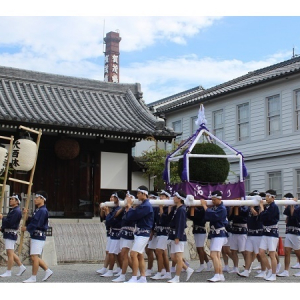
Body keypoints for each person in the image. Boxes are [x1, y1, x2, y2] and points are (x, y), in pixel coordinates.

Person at [123, 185, 154, 283]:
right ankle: (143, 277)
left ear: (144, 194)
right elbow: (133, 214)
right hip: (140, 232)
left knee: (133, 254)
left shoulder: (146, 206)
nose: (137, 195)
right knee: (140, 255)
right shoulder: (143, 205)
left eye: (138, 193)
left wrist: (129, 205)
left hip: (143, 233)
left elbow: (133, 216)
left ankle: (134, 277)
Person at [21, 191, 53, 283]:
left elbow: (36, 223)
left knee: (34, 256)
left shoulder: (43, 211)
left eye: (37, 198)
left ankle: (33, 277)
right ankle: (47, 270)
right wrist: (26, 216)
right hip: (35, 235)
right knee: (34, 257)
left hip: (39, 235)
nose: (35, 199)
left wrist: (27, 228)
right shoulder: (38, 210)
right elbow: (33, 220)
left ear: (42, 199)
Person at [201, 190, 228, 282]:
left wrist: (204, 206)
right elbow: (208, 216)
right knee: (216, 255)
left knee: (213, 255)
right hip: (216, 234)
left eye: (214, 199)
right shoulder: (216, 207)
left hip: (219, 234)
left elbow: (213, 216)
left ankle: (217, 274)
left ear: (219, 198)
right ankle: (220, 275)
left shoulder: (222, 208)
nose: (212, 201)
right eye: (212, 199)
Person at [167, 190, 194, 283]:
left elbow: (181, 224)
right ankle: (187, 269)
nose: (173, 198)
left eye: (175, 196)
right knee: (173, 257)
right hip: (173, 234)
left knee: (178, 257)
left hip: (179, 236)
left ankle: (177, 277)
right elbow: (169, 218)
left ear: (179, 199)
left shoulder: (182, 209)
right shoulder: (176, 208)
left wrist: (178, 236)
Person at [112, 191, 137, 282]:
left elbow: (132, 218)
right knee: (123, 255)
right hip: (123, 232)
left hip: (129, 233)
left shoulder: (133, 209)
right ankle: (133, 271)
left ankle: (123, 275)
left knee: (124, 254)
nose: (126, 199)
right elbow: (115, 216)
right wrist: (123, 207)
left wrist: (129, 206)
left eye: (128, 197)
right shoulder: (124, 209)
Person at [256, 189, 280, 281]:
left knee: (272, 254)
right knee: (261, 252)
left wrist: (261, 207)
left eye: (267, 196)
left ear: (272, 197)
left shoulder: (274, 207)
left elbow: (263, 217)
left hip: (272, 233)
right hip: (265, 232)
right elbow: (261, 217)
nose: (266, 198)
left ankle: (273, 275)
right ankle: (270, 270)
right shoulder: (269, 207)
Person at [238, 191, 263, 277]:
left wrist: (251, 207)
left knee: (260, 253)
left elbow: (256, 214)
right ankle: (246, 270)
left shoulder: (259, 207)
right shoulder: (248, 208)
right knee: (248, 252)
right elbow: (241, 212)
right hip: (250, 233)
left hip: (258, 234)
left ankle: (264, 270)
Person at [0, 194, 26, 277]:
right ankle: (21, 266)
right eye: (10, 199)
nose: (10, 200)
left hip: (11, 233)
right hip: (9, 233)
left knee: (10, 253)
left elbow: (10, 223)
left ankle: (8, 271)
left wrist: (2, 218)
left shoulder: (16, 211)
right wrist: (2, 228)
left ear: (17, 201)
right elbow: (8, 222)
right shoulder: (13, 210)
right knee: (10, 252)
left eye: (12, 199)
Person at [100, 190, 125, 277]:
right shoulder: (116, 207)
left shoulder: (119, 208)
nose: (112, 199)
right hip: (113, 232)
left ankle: (111, 270)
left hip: (117, 232)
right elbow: (105, 219)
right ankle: (121, 270)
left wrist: (107, 212)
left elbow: (110, 221)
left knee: (112, 253)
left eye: (114, 197)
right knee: (116, 254)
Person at [277, 193, 300, 277]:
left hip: (296, 232)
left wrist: (291, 204)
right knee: (287, 252)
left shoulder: (297, 206)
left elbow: (294, 215)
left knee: (298, 252)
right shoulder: (289, 206)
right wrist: (287, 205)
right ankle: (286, 271)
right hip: (288, 231)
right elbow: (287, 216)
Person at [150, 190, 172, 280]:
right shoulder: (157, 207)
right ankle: (167, 272)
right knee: (163, 254)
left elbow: (165, 220)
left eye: (163, 196)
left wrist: (161, 208)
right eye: (161, 196)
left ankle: (160, 272)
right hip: (158, 232)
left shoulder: (169, 207)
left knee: (159, 252)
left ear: (168, 198)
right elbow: (155, 220)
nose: (161, 197)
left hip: (165, 232)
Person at [186, 202, 212, 273]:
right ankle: (208, 263)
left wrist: (193, 208)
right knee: (200, 248)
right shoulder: (195, 209)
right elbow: (190, 216)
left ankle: (202, 264)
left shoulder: (202, 210)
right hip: (196, 230)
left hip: (201, 230)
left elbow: (197, 216)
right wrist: (191, 208)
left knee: (200, 248)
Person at [228, 201, 248, 273]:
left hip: (242, 231)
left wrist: (238, 207)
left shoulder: (245, 206)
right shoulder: (233, 206)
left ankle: (247, 266)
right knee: (233, 250)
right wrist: (232, 208)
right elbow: (230, 217)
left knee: (243, 251)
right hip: (234, 230)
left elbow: (244, 214)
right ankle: (235, 267)